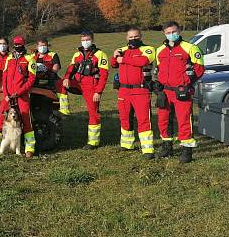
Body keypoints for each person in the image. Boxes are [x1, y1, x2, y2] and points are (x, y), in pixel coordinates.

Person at [155, 21, 204, 163]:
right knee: (163, 120)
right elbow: (159, 69)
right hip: (165, 91)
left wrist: (187, 82)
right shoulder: (160, 50)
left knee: (184, 120)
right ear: (164, 33)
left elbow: (199, 68)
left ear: (179, 30)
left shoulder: (190, 48)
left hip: (182, 91)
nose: (172, 34)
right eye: (168, 32)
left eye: (174, 31)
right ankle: (167, 147)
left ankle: (186, 150)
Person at [111, 27, 156, 159]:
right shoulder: (122, 50)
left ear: (140, 36)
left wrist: (123, 59)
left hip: (140, 90)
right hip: (124, 91)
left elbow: (143, 61)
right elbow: (113, 64)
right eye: (130, 37)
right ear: (127, 38)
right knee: (125, 118)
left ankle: (147, 149)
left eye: (136, 37)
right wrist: (115, 55)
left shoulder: (148, 49)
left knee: (143, 119)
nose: (133, 39)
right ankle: (126, 144)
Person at [0, 36, 37, 158]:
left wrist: (19, 92)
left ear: (23, 44)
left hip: (22, 95)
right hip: (8, 96)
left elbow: (31, 80)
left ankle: (29, 149)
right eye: (15, 44)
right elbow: (4, 77)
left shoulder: (29, 59)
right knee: (1, 118)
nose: (17, 46)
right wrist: (6, 94)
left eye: (19, 44)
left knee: (26, 120)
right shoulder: (9, 58)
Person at [63, 30, 109, 149]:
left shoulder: (100, 54)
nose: (85, 42)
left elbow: (104, 76)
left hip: (92, 87)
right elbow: (70, 68)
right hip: (78, 83)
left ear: (92, 40)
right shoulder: (77, 55)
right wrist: (67, 78)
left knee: (93, 113)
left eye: (87, 40)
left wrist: (98, 91)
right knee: (59, 83)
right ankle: (64, 108)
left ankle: (93, 142)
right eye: (83, 40)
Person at [32, 38, 70, 115]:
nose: (42, 47)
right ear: (37, 46)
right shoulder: (32, 56)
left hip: (50, 77)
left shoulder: (53, 55)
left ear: (47, 46)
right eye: (41, 45)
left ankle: (64, 109)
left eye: (44, 45)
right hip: (35, 79)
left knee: (62, 85)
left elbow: (56, 66)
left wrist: (48, 69)